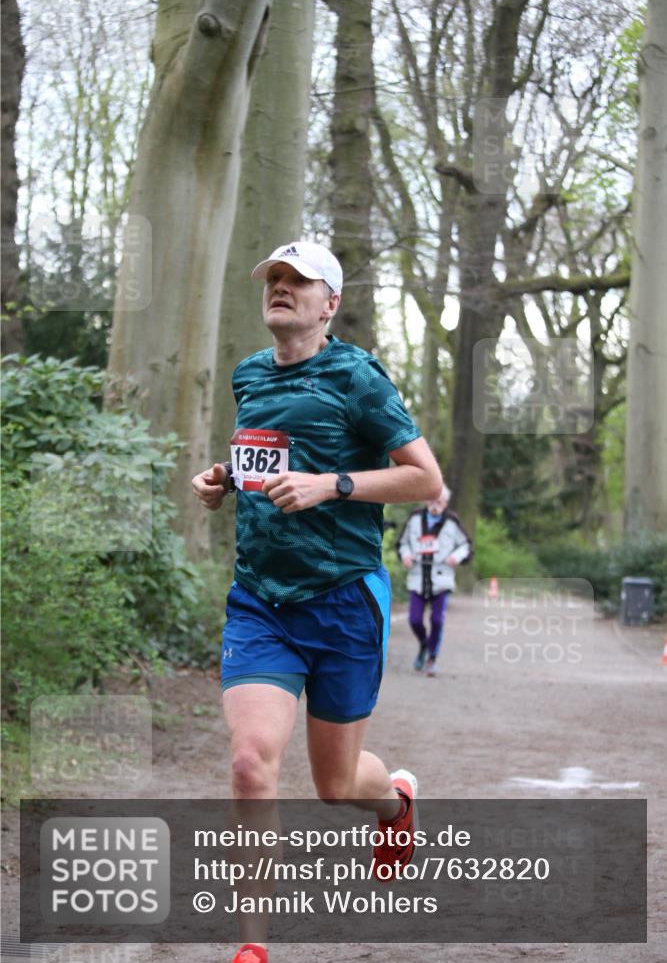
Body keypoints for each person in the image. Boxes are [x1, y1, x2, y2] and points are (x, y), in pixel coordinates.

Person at [191, 241, 442, 963]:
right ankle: (252, 950)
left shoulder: (357, 376)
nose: (280, 287)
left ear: (328, 303)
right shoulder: (248, 376)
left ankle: (393, 803)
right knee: (249, 762)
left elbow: (423, 480)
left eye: (297, 280)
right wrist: (222, 481)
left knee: (336, 786)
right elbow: (263, 458)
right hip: (260, 600)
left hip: (341, 599)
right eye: (272, 277)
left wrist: (330, 485)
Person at [397, 484, 472, 676]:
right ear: (425, 500)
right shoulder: (414, 519)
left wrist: (456, 556)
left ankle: (431, 658)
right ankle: (424, 643)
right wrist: (405, 555)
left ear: (446, 503)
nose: (434, 505)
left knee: (437, 620)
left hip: (441, 577)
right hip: (417, 576)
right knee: (414, 619)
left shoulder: (452, 522)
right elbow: (403, 543)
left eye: (439, 501)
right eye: (431, 500)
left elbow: (465, 545)